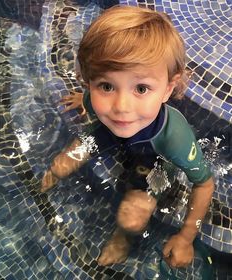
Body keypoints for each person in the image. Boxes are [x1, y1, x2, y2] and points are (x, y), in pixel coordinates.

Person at [41, 5, 214, 268]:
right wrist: (84, 100)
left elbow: (205, 183)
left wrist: (186, 236)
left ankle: (123, 238)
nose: (121, 106)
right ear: (90, 82)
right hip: (106, 133)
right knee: (59, 166)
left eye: (141, 88)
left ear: (168, 88)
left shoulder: (175, 138)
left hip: (153, 159)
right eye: (107, 86)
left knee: (131, 219)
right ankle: (37, 187)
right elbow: (93, 97)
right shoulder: (98, 101)